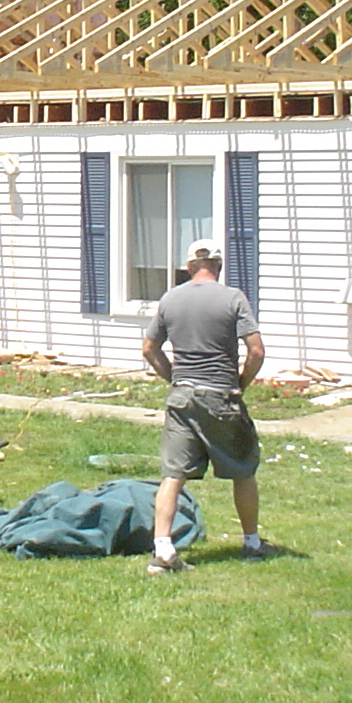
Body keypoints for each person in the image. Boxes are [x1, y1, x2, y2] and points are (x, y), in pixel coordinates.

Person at [140, 240, 269, 573]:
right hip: (221, 397)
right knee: (242, 470)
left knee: (173, 475)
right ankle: (252, 542)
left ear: (188, 267)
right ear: (219, 265)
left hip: (182, 397)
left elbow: (149, 348)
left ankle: (163, 549)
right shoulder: (232, 298)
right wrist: (241, 384)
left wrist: (173, 377)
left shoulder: (171, 299)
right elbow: (256, 351)